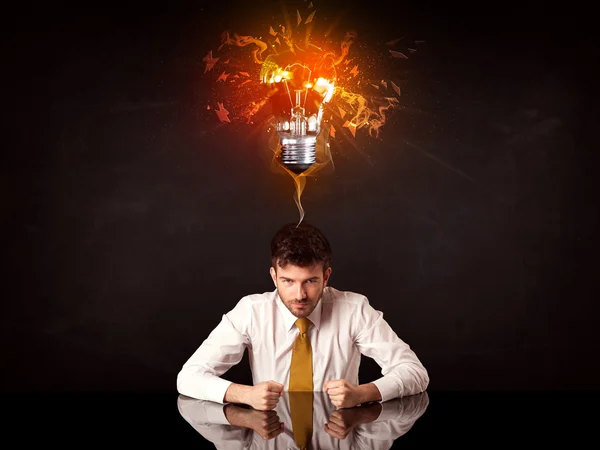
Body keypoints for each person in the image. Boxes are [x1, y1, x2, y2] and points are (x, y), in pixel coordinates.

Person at [176, 222, 429, 411]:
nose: (299, 295)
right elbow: (188, 377)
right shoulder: (251, 311)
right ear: (274, 276)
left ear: (326, 276)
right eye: (287, 281)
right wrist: (244, 394)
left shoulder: (355, 309)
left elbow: (415, 372)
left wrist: (364, 393)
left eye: (310, 281)